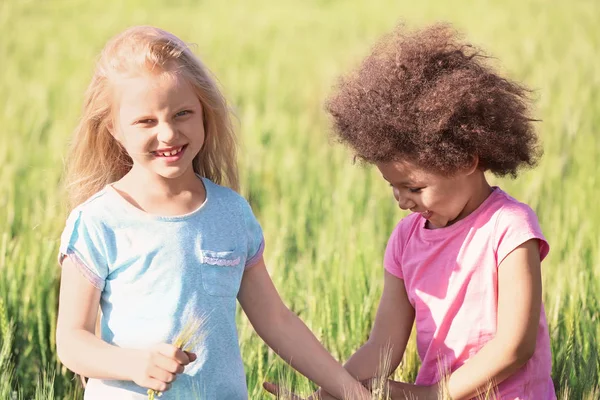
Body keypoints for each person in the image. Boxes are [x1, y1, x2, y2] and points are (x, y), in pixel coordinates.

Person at [55, 25, 372, 400]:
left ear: (205, 113)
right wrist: (135, 365)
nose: (169, 133)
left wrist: (353, 394)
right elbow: (72, 341)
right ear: (113, 128)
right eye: (146, 121)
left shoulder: (231, 213)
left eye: (182, 113)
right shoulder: (99, 221)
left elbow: (276, 320)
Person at [266, 23, 556, 399]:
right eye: (393, 187)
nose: (402, 201)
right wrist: (322, 397)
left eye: (414, 187)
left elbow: (514, 346)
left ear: (466, 160)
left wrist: (432, 395)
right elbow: (381, 348)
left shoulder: (510, 228)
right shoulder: (406, 239)